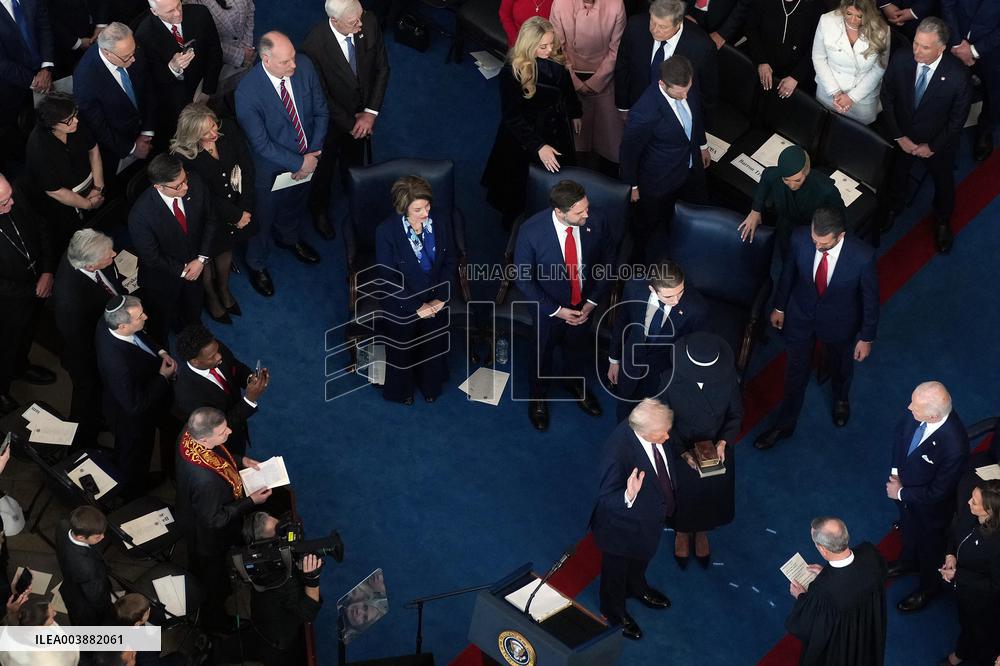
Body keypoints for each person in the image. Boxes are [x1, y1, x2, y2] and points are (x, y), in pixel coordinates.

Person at [754, 208, 878, 450]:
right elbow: (788, 273)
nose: (816, 245)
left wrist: (866, 337)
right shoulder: (800, 238)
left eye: (822, 243)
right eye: (814, 239)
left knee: (841, 365)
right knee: (794, 372)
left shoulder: (862, 257)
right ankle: (785, 424)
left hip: (840, 324)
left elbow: (870, 300)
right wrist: (779, 307)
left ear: (840, 236)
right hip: (800, 317)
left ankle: (841, 399)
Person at [514, 180, 613, 431]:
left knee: (578, 347)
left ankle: (574, 383)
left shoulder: (596, 221)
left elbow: (608, 262)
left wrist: (591, 303)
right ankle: (538, 395)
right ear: (560, 211)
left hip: (584, 305)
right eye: (580, 212)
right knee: (542, 353)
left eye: (586, 208)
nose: (587, 215)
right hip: (549, 309)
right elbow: (524, 279)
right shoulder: (531, 232)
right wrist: (557, 311)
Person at [235, 31, 329, 297]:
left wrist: (313, 155)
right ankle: (257, 263)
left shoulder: (305, 66)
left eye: (293, 58)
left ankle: (289, 238)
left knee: (296, 202)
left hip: (310, 157)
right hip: (270, 169)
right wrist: (300, 162)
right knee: (263, 218)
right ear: (266, 60)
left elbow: (321, 110)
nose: (294, 66)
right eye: (286, 62)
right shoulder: (247, 93)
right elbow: (261, 144)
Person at [880, 17, 971, 254]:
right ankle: (894, 205)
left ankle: (942, 220)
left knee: (943, 183)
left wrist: (932, 146)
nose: (917, 51)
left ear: (941, 48)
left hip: (938, 145)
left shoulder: (958, 76)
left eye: (925, 47)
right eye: (916, 44)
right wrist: (899, 136)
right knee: (897, 173)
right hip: (903, 137)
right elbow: (887, 96)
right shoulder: (901, 59)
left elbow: (956, 121)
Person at [175, 407, 270, 631]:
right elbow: (215, 519)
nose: (229, 431)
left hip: (190, 510)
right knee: (212, 580)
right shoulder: (205, 481)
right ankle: (214, 622)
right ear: (205, 438)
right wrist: (251, 502)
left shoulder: (187, 433)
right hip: (207, 538)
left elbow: (218, 456)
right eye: (222, 432)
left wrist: (241, 460)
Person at [301, 0, 390, 240]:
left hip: (363, 115)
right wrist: (353, 124)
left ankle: (354, 188)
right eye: (354, 22)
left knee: (354, 159)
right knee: (324, 168)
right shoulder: (313, 46)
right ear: (334, 21)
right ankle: (319, 210)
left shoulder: (368, 21)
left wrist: (370, 114)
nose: (361, 25)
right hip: (329, 121)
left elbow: (382, 68)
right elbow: (321, 98)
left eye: (360, 18)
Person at [482, 17, 583, 229]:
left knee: (553, 182)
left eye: (551, 44)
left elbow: (567, 92)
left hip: (556, 128)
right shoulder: (512, 72)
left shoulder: (556, 61)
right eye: (542, 46)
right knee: (517, 183)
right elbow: (511, 116)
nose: (549, 50)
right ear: (529, 45)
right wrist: (538, 146)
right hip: (524, 136)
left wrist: (575, 113)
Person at [590, 398, 675, 641]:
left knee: (640, 560)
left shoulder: (654, 429)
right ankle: (614, 612)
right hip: (620, 529)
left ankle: (637, 588)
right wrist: (628, 494)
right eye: (662, 434)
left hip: (647, 522)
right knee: (614, 574)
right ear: (645, 433)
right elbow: (606, 499)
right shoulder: (616, 454)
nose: (667, 438)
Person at [374, 176, 457, 405]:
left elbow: (450, 261)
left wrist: (441, 298)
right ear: (403, 208)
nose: (425, 213)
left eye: (427, 206)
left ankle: (430, 384)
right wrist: (417, 306)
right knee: (402, 346)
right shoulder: (386, 232)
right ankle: (401, 391)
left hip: (435, 296)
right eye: (418, 209)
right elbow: (387, 278)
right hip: (402, 300)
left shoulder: (439, 221)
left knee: (434, 342)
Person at [885, 381, 968, 612]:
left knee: (931, 550)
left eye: (915, 407)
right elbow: (900, 439)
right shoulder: (918, 410)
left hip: (931, 511)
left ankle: (928, 589)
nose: (909, 407)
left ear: (932, 417)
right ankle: (908, 563)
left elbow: (938, 492)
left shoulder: (955, 446)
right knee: (909, 532)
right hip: (905, 494)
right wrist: (895, 475)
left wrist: (900, 492)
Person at [171, 103, 256, 323]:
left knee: (226, 248)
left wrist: (244, 208)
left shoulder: (227, 128)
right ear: (192, 135)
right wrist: (235, 215)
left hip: (236, 204)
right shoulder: (183, 157)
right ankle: (211, 298)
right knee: (206, 256)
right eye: (206, 132)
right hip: (205, 215)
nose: (214, 133)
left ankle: (224, 290)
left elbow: (246, 166)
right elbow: (203, 195)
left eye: (213, 125)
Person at [661, 332, 741, 566]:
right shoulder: (668, 379)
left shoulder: (728, 380)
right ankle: (682, 531)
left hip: (716, 449)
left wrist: (724, 441)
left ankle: (702, 529)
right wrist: (682, 451)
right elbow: (663, 421)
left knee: (711, 494)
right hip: (679, 447)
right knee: (682, 493)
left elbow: (735, 414)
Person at [619, 55, 710, 258]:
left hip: (690, 168)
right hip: (659, 179)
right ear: (663, 84)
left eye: (688, 89)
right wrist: (631, 186)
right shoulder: (644, 112)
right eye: (680, 93)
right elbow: (628, 152)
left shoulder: (684, 84)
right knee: (647, 226)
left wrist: (702, 145)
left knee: (694, 209)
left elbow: (696, 118)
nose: (686, 96)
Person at [95, 295, 178, 500]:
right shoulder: (117, 363)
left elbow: (139, 335)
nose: (146, 317)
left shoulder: (110, 323)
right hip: (131, 419)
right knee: (134, 456)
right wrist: (162, 377)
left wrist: (159, 352)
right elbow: (134, 405)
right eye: (141, 316)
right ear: (123, 325)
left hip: (137, 397)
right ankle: (132, 495)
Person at [129, 154, 216, 341]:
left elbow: (210, 220)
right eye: (178, 186)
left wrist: (201, 260)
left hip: (196, 265)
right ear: (158, 186)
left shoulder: (196, 182)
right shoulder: (140, 216)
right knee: (161, 320)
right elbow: (151, 257)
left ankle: (193, 334)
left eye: (184, 180)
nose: (185, 186)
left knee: (193, 311)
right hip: (163, 278)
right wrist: (185, 271)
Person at [608, 261, 708, 422]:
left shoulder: (697, 308)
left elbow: (693, 349)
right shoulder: (634, 287)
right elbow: (622, 323)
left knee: (652, 421)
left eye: (680, 292)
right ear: (652, 289)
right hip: (630, 364)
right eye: (669, 296)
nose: (676, 300)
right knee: (623, 411)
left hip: (662, 375)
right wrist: (614, 360)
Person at [52, 229, 124, 448]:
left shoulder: (79, 253)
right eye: (107, 255)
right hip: (87, 356)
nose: (113, 254)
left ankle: (97, 421)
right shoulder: (69, 301)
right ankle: (83, 445)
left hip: (93, 341)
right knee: (86, 400)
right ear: (90, 266)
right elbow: (79, 340)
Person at [785, 517, 888, 666]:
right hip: (870, 631)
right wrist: (826, 573)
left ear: (823, 549)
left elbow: (809, 628)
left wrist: (801, 596)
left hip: (843, 647)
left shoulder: (822, 592)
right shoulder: (870, 552)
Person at [0, 173, 57, 416]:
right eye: (3, 203)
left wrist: (47, 270)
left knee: (26, 334)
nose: (11, 204)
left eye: (9, 196)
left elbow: (41, 227)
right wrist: (31, 291)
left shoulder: (14, 194)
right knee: (5, 345)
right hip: (7, 302)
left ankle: (20, 367)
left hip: (35, 285)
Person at [23, 93, 106, 257]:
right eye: (69, 119)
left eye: (75, 114)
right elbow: (55, 191)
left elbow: (93, 150)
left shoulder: (74, 124)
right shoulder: (38, 147)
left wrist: (98, 187)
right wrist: (88, 204)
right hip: (65, 203)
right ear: (52, 124)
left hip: (92, 185)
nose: (75, 121)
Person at [72, 22, 156, 186]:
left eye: (133, 52)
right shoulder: (85, 80)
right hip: (118, 147)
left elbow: (148, 89)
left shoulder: (130, 49)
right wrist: (132, 148)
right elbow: (98, 127)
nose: (133, 59)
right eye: (126, 57)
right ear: (107, 53)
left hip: (147, 128)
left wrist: (147, 130)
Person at [549, 0, 626, 171]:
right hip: (568, 74)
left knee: (609, 140)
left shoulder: (616, 4)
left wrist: (595, 82)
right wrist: (575, 82)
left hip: (605, 76)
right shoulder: (560, 4)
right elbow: (556, 48)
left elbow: (617, 49)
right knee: (571, 141)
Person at [238, 512, 323, 665]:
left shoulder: (263, 560)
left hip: (266, 618)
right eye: (280, 532)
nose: (287, 533)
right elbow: (308, 613)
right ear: (266, 545)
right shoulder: (281, 581)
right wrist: (312, 580)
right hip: (279, 644)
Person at [174, 323, 269, 458]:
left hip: (239, 423)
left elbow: (235, 366)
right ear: (195, 361)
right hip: (224, 442)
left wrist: (250, 379)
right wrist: (249, 399)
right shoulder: (187, 394)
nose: (219, 356)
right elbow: (216, 428)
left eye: (217, 351)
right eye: (212, 357)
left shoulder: (213, 348)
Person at [134, 0, 222, 140]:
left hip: (203, 90)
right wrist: (173, 68)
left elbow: (215, 52)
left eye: (178, 5)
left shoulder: (200, 14)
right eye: (170, 11)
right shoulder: (143, 36)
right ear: (154, 12)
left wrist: (207, 91)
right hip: (175, 108)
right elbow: (150, 82)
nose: (178, 12)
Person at [614, 0, 718, 120]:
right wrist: (623, 107)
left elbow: (708, 92)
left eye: (663, 27)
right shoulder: (635, 25)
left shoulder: (702, 46)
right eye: (652, 22)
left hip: (675, 118)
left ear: (678, 23)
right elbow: (623, 66)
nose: (654, 30)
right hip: (638, 107)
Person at [738, 145, 844, 256]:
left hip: (811, 231)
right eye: (786, 180)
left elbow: (841, 215)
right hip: (785, 226)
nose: (792, 185)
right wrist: (756, 210)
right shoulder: (777, 175)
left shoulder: (825, 189)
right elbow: (766, 176)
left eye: (797, 180)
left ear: (806, 171)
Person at [939, 481, 1000, 666]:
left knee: (977, 629)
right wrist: (950, 553)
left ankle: (962, 653)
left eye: (974, 502)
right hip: (964, 590)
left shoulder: (996, 545)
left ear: (989, 511)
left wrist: (957, 576)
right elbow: (955, 532)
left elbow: (995, 585)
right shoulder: (971, 512)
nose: (968, 503)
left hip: (981, 600)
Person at [812, 0, 890, 125]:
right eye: (848, 14)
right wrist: (835, 92)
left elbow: (879, 68)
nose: (853, 20)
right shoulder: (826, 21)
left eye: (859, 16)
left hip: (862, 97)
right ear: (843, 8)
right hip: (829, 90)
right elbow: (818, 57)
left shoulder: (882, 30)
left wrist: (852, 97)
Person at [941, 0, 1000, 162]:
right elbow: (947, 4)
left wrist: (974, 50)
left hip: (993, 52)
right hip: (955, 41)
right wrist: (956, 42)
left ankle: (985, 131)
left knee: (994, 95)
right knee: (947, 88)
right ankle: (944, 133)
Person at [0, 0, 54, 169]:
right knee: (24, 138)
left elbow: (44, 28)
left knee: (54, 120)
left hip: (47, 75)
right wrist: (34, 81)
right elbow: (1, 63)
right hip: (11, 88)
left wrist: (46, 67)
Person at [745, 0, 826, 100]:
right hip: (763, 66)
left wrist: (796, 77)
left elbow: (816, 48)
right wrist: (761, 61)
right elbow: (751, 29)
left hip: (798, 76)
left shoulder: (817, 6)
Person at [54, 506, 115, 626]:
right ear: (81, 537)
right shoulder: (87, 569)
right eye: (98, 536)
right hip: (85, 601)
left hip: (71, 578)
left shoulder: (64, 525)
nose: (103, 537)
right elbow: (97, 598)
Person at [185, 0, 256, 95]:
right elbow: (205, 42)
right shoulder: (190, 3)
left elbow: (250, 10)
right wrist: (240, 55)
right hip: (220, 66)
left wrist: (247, 46)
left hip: (246, 55)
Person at [0, 602, 79, 665]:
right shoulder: (50, 661)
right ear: (37, 628)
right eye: (51, 615)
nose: (55, 613)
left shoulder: (9, 628)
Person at [49, 0, 106, 77]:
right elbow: (50, 17)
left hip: (99, 34)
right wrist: (76, 43)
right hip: (66, 46)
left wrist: (101, 25)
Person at [683, 0, 750, 49]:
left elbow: (745, 4)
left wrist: (723, 33)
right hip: (688, 17)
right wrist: (683, 12)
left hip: (721, 26)